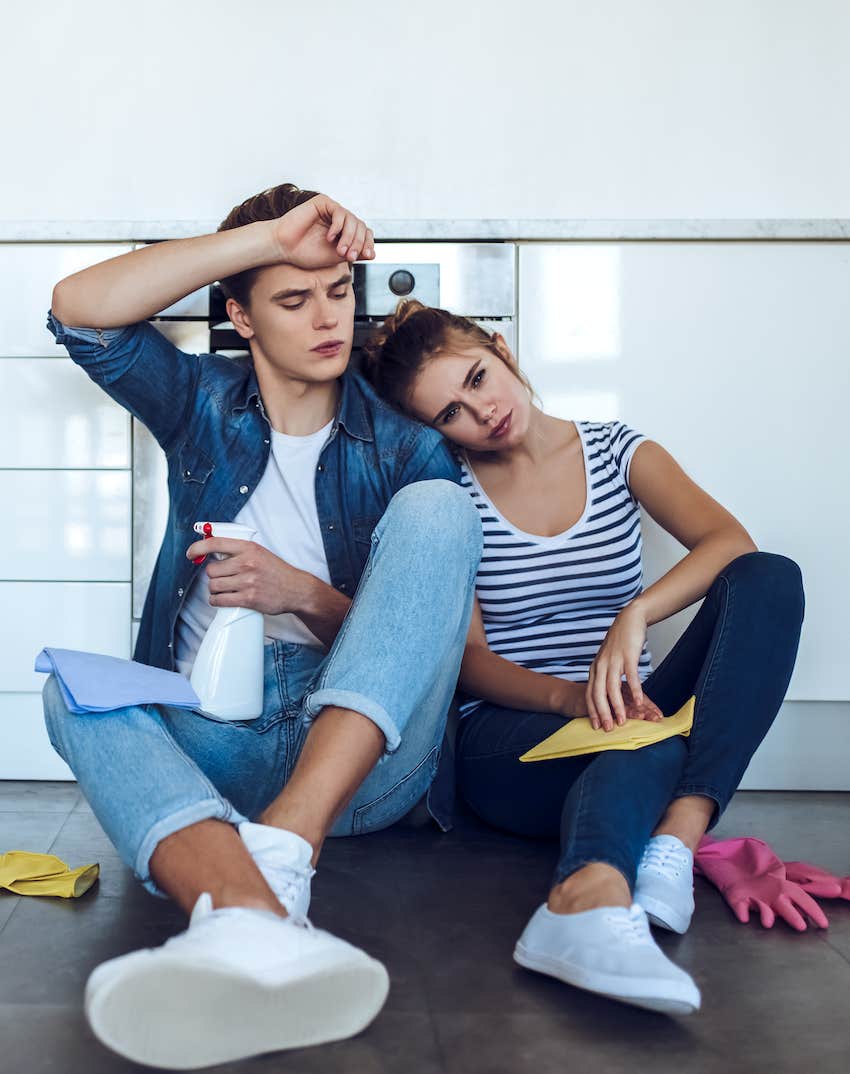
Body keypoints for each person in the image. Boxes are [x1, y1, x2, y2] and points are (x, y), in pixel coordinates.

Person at [42, 187, 482, 1069]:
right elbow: (78, 311)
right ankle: (252, 910)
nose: (327, 319)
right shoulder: (199, 402)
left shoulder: (405, 446)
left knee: (440, 511)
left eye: (338, 292)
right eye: (292, 297)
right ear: (239, 316)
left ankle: (276, 853)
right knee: (71, 690)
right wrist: (262, 238)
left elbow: (449, 653)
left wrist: (302, 593)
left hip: (361, 760)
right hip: (220, 745)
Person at [363, 300, 805, 1015]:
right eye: (450, 413)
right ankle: (583, 900)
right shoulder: (451, 497)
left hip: (633, 708)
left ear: (502, 349)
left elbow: (729, 541)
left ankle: (673, 843)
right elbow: (468, 660)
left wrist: (635, 615)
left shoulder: (615, 451)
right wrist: (570, 698)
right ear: (432, 430)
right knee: (642, 737)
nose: (481, 412)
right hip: (507, 739)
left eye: (478, 378)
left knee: (769, 578)